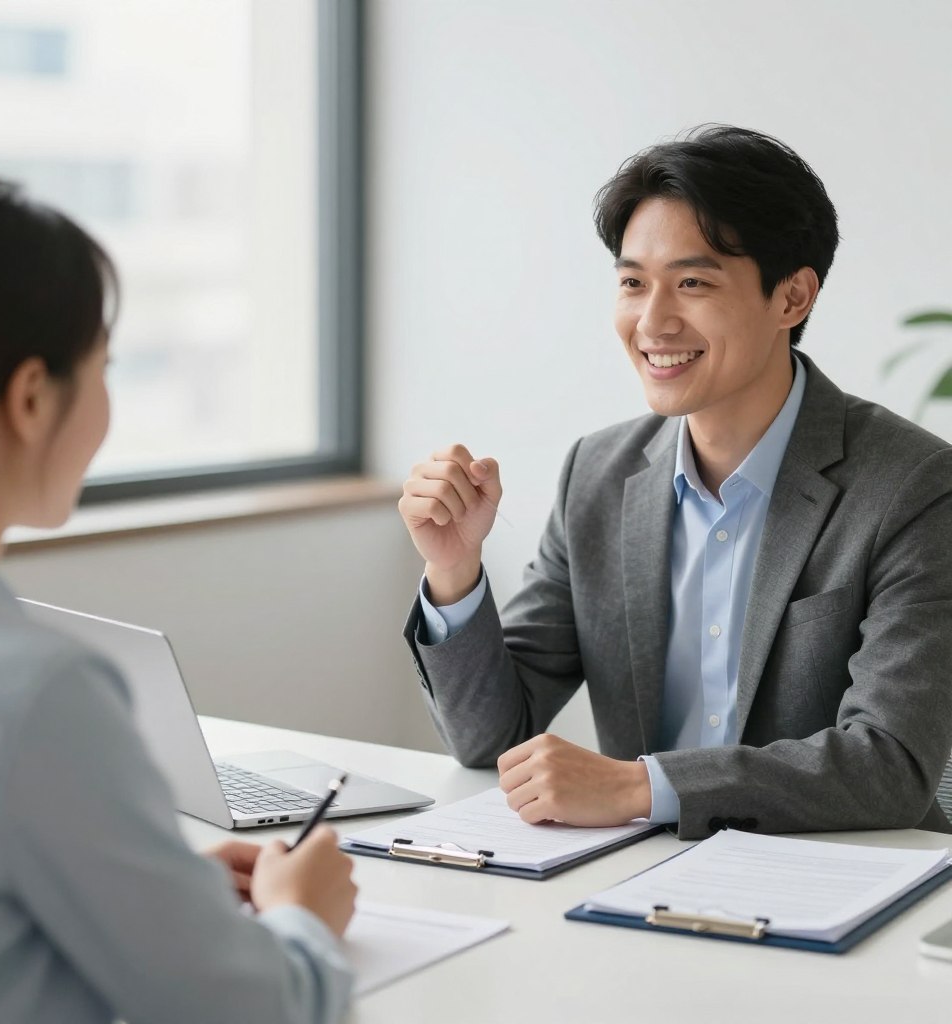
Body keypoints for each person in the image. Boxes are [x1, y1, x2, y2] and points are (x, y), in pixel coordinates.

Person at [399, 125, 952, 841]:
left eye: (692, 282)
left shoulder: (913, 487)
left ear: (792, 298)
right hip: (636, 873)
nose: (652, 321)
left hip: (837, 880)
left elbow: (890, 765)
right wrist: (453, 569)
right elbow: (490, 738)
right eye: (633, 283)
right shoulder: (597, 475)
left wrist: (640, 786)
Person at [0, 178, 356, 1023]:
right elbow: (253, 1010)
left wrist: (158, 887)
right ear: (29, 398)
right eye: (104, 368)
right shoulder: (34, 691)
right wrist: (304, 916)